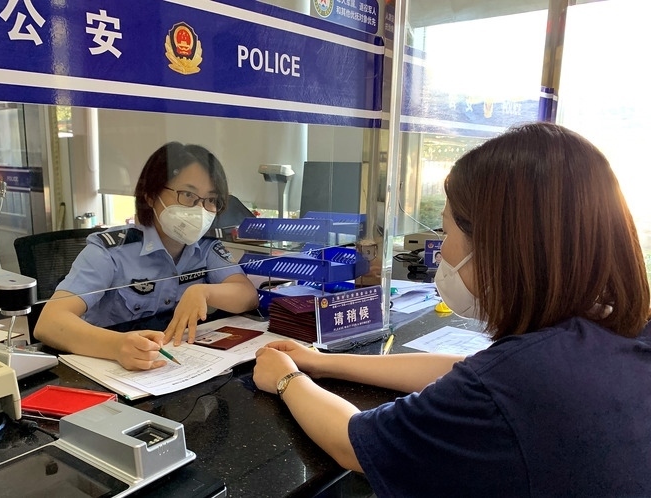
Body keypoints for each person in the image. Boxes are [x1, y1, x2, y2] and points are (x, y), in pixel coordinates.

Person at [253, 123, 651, 496]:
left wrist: (287, 379)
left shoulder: (514, 382)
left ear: (499, 245)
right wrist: (322, 362)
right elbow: (463, 370)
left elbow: (351, 443)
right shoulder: (620, 333)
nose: (441, 249)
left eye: (446, 230)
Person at [35, 142, 259, 370]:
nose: (199, 209)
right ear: (151, 196)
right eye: (187, 195)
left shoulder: (206, 246)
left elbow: (247, 295)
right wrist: (116, 346)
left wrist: (204, 291)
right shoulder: (111, 250)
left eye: (211, 200)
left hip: (172, 363)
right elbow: (49, 322)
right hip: (109, 367)